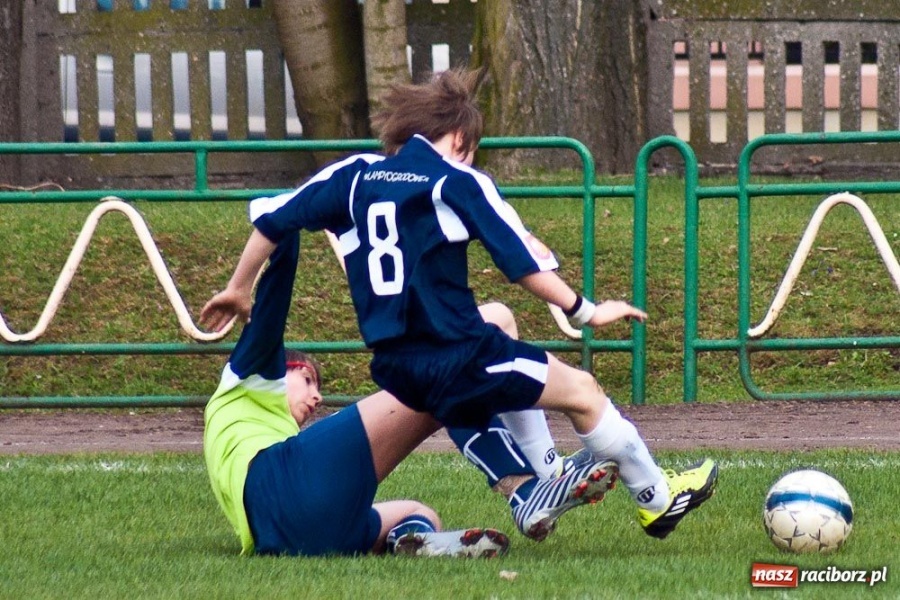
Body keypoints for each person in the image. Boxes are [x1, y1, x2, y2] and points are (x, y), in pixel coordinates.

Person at [202, 67, 717, 541]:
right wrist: (586, 309)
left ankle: (529, 489)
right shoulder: (456, 180)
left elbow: (271, 219)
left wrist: (239, 286)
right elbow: (521, 266)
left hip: (398, 368)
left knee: (472, 379)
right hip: (460, 351)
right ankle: (657, 499)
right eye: (471, 148)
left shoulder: (354, 175)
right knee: (582, 391)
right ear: (459, 140)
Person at [200, 232, 615, 557]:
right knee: (469, 342)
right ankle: (528, 487)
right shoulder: (245, 379)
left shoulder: (248, 429)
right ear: (279, 369)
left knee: (419, 512)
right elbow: (271, 309)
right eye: (307, 379)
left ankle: (418, 546)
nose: (316, 398)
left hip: (291, 537)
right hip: (283, 487)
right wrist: (283, 229)